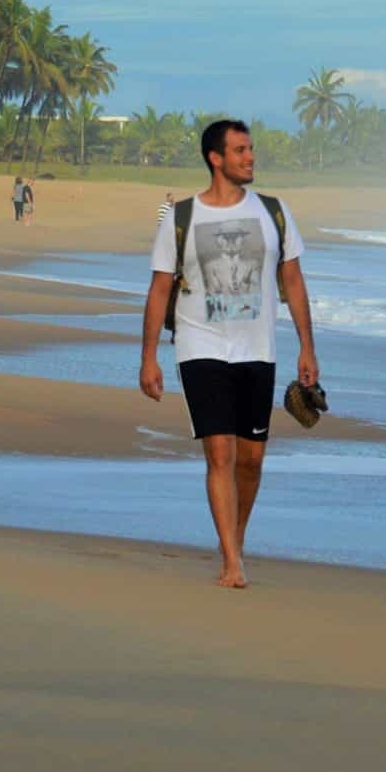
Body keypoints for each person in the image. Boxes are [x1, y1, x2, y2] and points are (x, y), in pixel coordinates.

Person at [139, 119, 318, 589]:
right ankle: (231, 559)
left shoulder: (274, 212)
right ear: (215, 158)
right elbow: (159, 289)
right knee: (220, 452)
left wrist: (307, 347)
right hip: (200, 345)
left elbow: (293, 281)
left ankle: (234, 540)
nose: (250, 157)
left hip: (257, 348)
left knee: (251, 461)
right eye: (240, 150)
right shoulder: (182, 217)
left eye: (250, 148)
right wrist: (148, 357)